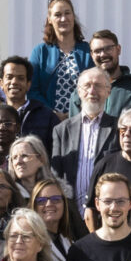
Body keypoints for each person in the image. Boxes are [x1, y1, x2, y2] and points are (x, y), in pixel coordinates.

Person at [49, 67, 118, 210]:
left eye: (98, 86)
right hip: (72, 213)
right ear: (79, 92)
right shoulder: (61, 130)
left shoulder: (119, 128)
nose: (92, 91)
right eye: (87, 86)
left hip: (106, 212)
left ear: (108, 91)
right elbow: (56, 176)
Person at [30, 0, 93, 119]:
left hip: (83, 119)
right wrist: (52, 114)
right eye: (57, 15)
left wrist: (76, 113)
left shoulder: (88, 51)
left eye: (67, 13)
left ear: (73, 17)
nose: (63, 18)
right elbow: (32, 90)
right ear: (49, 19)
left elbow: (96, 85)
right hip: (48, 121)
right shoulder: (40, 52)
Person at [0, 55, 57, 142]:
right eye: (9, 77)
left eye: (20, 78)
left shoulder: (47, 116)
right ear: (1, 83)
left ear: (28, 84)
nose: (14, 82)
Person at [92, 30, 131, 116]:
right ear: (92, 55)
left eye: (108, 48)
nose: (103, 54)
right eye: (97, 51)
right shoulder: (83, 90)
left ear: (118, 50)